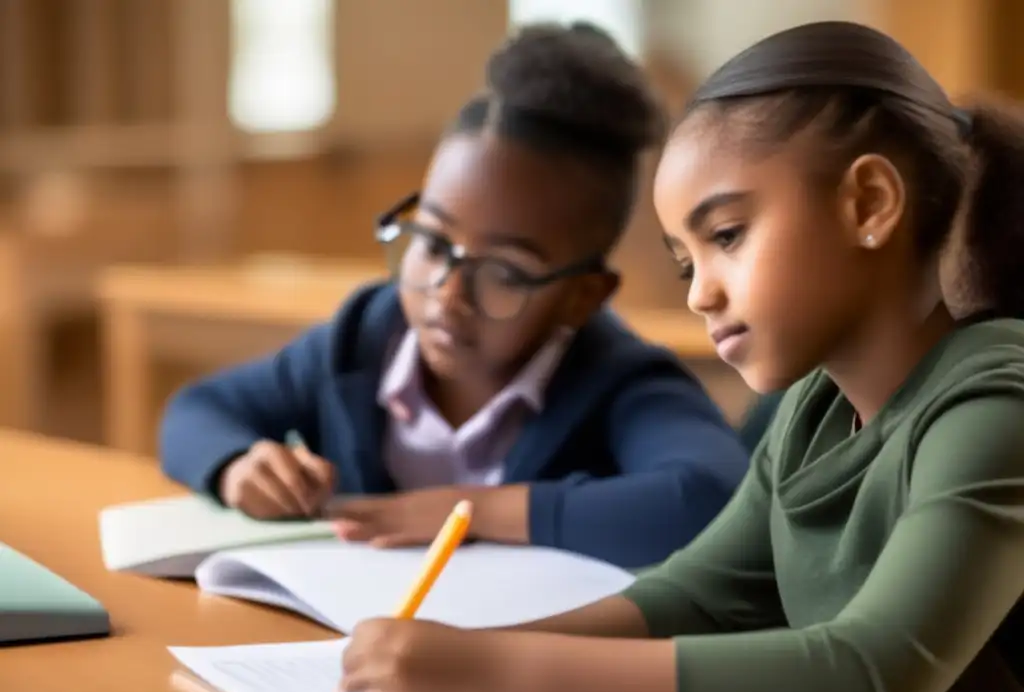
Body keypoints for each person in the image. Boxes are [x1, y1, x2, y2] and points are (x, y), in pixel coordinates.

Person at [339, 21, 1024, 692]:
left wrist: (496, 669)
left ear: (867, 203)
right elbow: (696, 597)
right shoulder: (810, 412)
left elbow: (866, 682)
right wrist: (455, 649)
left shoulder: (996, 404)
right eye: (683, 263)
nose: (699, 295)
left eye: (726, 235)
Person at [158, 22, 749, 570]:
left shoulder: (615, 379)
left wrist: (468, 513)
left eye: (504, 273)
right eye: (434, 243)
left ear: (582, 295)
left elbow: (710, 494)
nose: (448, 292)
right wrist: (237, 466)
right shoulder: (360, 343)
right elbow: (196, 411)